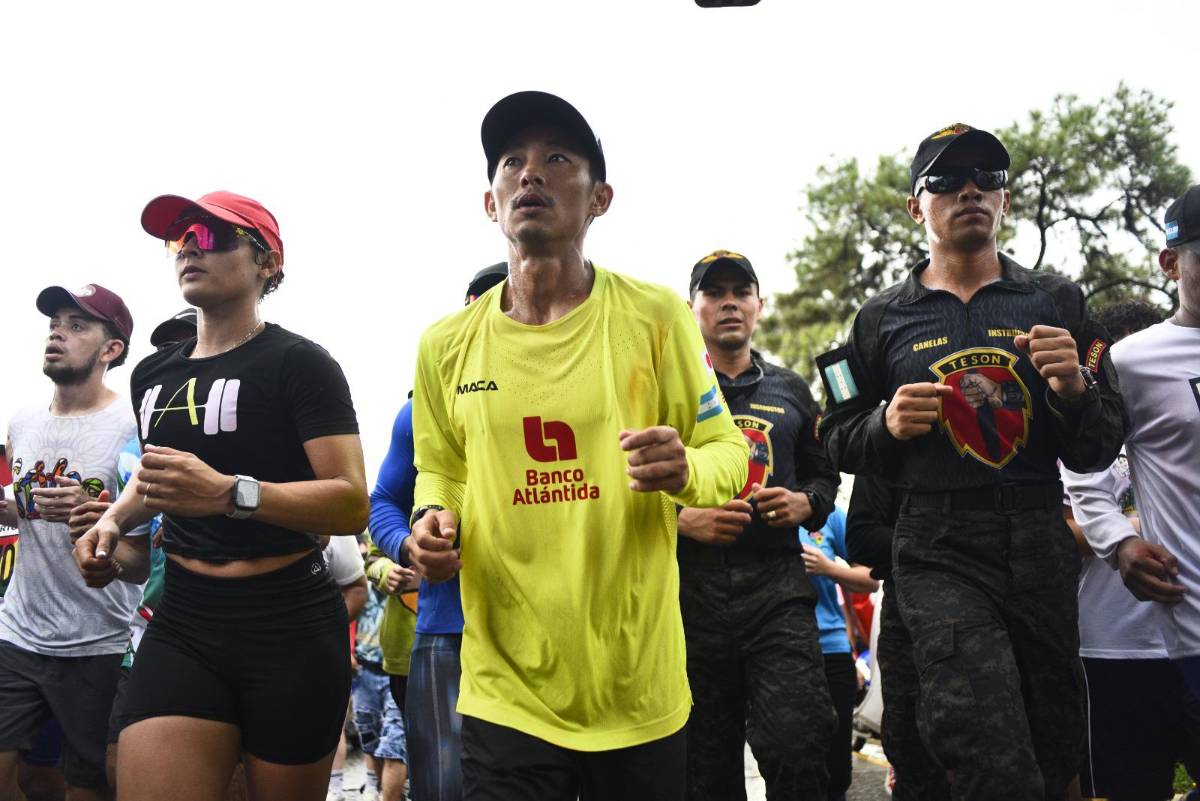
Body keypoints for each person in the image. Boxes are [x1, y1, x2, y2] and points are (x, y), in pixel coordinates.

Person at [406, 91, 748, 800]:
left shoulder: (655, 316)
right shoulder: (444, 344)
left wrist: (686, 467)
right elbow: (440, 468)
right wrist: (431, 519)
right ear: (490, 201)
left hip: (636, 684)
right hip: (505, 685)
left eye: (557, 159)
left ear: (600, 199)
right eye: (512, 162)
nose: (530, 173)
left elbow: (728, 448)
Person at [817, 123, 1125, 800]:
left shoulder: (1056, 302)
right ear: (915, 206)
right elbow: (833, 435)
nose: (970, 191)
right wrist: (883, 425)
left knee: (1055, 743)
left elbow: (1100, 446)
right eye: (947, 180)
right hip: (937, 546)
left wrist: (1075, 392)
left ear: (1005, 201)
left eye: (988, 178)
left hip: (1039, 539)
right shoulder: (880, 319)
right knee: (987, 744)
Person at [72, 190, 370, 801]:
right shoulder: (153, 374)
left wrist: (232, 494)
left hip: (289, 623)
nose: (190, 249)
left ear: (267, 264)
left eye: (211, 237)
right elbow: (155, 477)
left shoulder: (301, 363)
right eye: (180, 240)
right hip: (185, 620)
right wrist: (112, 522)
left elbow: (350, 502)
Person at [676, 250, 838, 800]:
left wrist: (804, 503)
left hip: (778, 596)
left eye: (740, 292)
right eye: (714, 292)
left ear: (759, 306)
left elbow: (824, 475)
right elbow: (623, 483)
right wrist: (683, 519)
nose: (729, 303)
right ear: (691, 307)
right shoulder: (667, 388)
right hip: (690, 601)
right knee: (704, 771)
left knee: (799, 745)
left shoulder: (791, 389)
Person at [0, 283, 147, 801]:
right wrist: (12, 508)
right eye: (54, 324)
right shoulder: (22, 421)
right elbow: (26, 506)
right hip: (17, 632)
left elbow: (143, 560)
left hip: (98, 642)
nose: (57, 333)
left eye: (77, 325)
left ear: (112, 349)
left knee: (88, 787)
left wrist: (96, 521)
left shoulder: (133, 428)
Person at [369, 262, 506, 801]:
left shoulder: (571, 393)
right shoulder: (419, 412)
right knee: (444, 789)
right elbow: (383, 500)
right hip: (447, 626)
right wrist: (409, 545)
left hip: (550, 624)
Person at [1062, 298, 1200, 801]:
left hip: (1185, 630)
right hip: (1114, 648)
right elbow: (1059, 526)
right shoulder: (1083, 433)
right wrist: (1126, 537)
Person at [1070, 186, 1200, 697]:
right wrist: (1119, 542)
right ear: (1171, 264)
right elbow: (1083, 467)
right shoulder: (1131, 362)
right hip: (1189, 619)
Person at [844, 473, 950, 801]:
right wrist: (948, 546)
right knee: (912, 755)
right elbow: (861, 538)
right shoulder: (888, 449)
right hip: (910, 619)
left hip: (995, 615)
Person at [798, 504, 879, 801]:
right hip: (772, 654)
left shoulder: (828, 514)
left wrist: (828, 568)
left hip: (830, 650)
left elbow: (872, 577)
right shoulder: (756, 506)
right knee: (791, 763)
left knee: (836, 769)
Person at [357, 533, 418, 801]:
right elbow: (373, 561)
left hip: (460, 649)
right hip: (395, 657)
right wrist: (387, 571)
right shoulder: (390, 515)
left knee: (395, 744)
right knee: (384, 740)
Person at [324, 533, 369, 801]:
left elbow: (356, 590)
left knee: (332, 726)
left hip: (324, 653)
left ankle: (335, 786)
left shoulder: (335, 538)